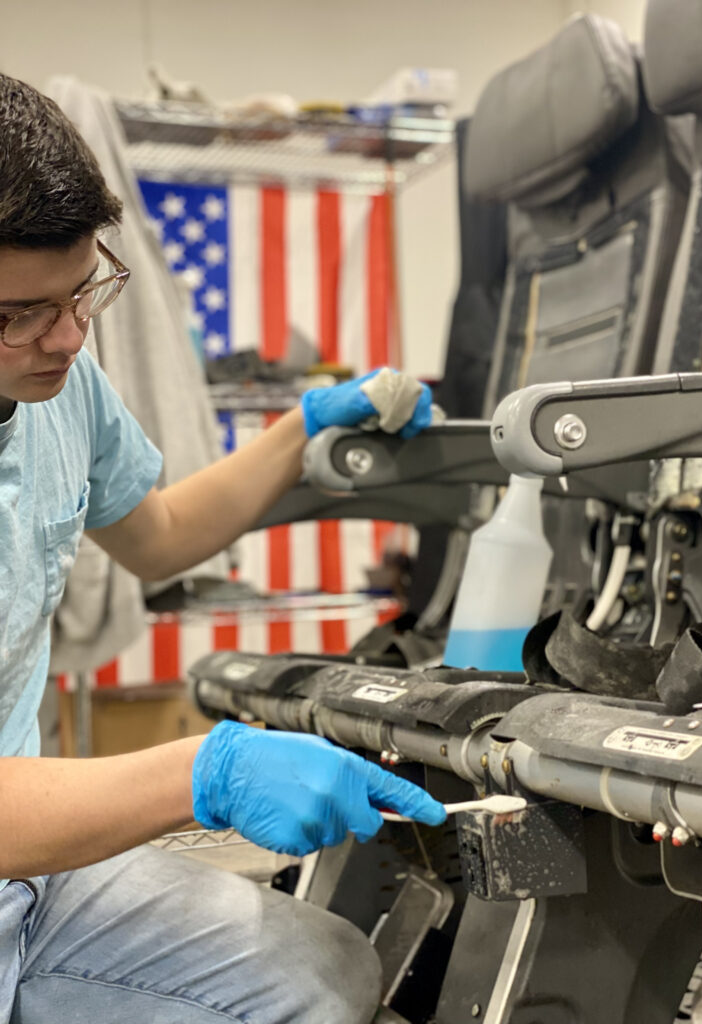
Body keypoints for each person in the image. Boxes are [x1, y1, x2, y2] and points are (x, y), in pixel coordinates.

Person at [0, 73, 446, 1024]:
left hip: (29, 884)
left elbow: (159, 536)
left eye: (83, 292)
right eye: (18, 317)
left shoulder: (60, 389)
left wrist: (301, 431)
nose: (70, 336)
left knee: (325, 975)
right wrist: (203, 775)